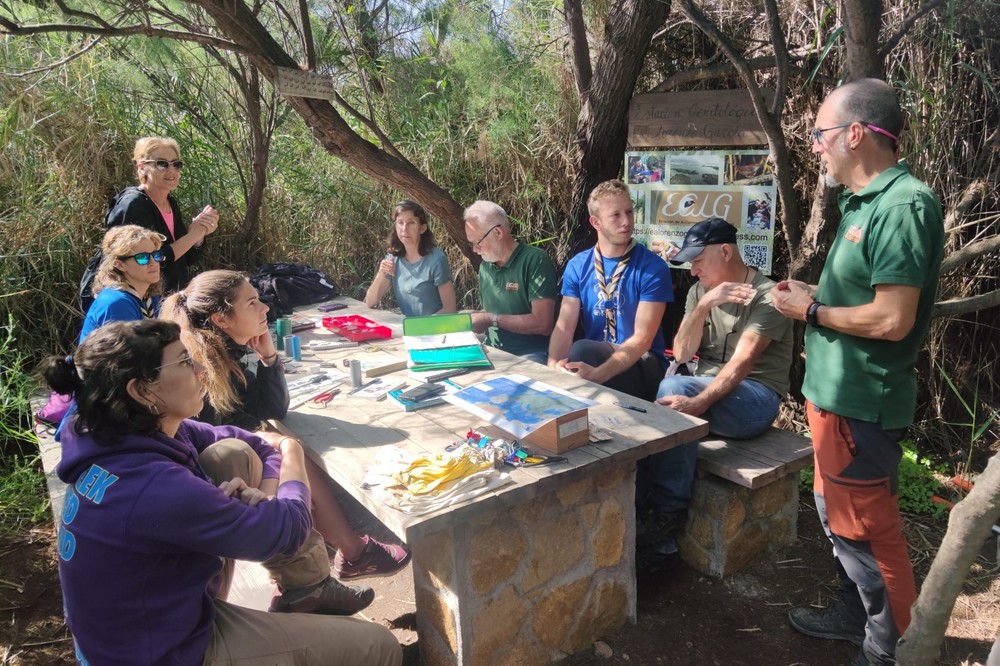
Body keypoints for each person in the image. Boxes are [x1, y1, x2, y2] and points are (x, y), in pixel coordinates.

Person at [44, 320, 401, 665]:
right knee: (379, 647)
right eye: (184, 362)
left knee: (230, 454)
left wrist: (266, 489)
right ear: (142, 390)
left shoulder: (123, 431)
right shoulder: (151, 487)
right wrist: (292, 450)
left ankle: (309, 593)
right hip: (168, 653)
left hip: (157, 620)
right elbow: (288, 527)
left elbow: (252, 443)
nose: (200, 369)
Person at [771, 79, 944, 666]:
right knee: (841, 523)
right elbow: (865, 298)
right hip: (835, 404)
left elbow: (893, 318)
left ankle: (892, 651)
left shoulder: (902, 205)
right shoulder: (863, 203)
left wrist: (812, 311)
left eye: (820, 133)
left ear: (854, 134)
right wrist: (812, 295)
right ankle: (856, 616)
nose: (814, 144)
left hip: (862, 407)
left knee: (869, 534)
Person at [161, 269, 411, 582]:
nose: (265, 307)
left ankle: (334, 556)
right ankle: (353, 554)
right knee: (296, 459)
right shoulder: (204, 369)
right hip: (216, 480)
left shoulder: (229, 350)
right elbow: (211, 442)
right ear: (221, 319)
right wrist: (271, 446)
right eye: (251, 303)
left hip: (235, 459)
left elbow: (271, 408)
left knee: (291, 449)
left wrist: (268, 357)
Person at [638, 217, 793, 562]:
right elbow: (681, 354)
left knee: (672, 388)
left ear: (725, 252)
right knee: (666, 402)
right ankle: (654, 517)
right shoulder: (699, 292)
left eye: (698, 261)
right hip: (706, 390)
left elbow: (742, 363)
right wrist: (704, 305)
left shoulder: (768, 296)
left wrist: (699, 402)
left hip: (754, 400)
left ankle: (667, 516)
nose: (693, 271)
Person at [548, 179, 673, 401]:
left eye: (629, 212)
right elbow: (564, 326)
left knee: (582, 350)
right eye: (616, 215)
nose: (626, 221)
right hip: (595, 359)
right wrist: (553, 369)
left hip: (642, 362)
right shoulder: (578, 265)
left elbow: (643, 339)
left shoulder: (652, 267)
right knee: (566, 362)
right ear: (595, 222)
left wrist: (596, 375)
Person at [105, 136, 219, 293]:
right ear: (142, 168)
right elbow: (145, 260)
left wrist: (199, 235)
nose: (171, 170)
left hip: (170, 295)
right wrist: (192, 236)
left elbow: (186, 259)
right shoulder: (133, 204)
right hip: (138, 297)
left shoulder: (170, 202)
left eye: (176, 164)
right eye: (162, 164)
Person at [463, 200, 557, 363]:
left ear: (498, 233)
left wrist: (490, 319)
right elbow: (494, 311)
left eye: (477, 242)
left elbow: (543, 324)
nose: (474, 250)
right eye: (471, 244)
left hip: (530, 354)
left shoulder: (535, 260)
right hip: (491, 350)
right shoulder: (485, 267)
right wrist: (476, 316)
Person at [364, 200, 456, 317]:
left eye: (411, 223)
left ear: (422, 228)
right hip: (406, 325)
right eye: (400, 223)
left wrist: (418, 325)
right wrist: (381, 273)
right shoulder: (393, 258)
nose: (404, 228)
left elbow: (450, 309)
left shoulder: (437, 260)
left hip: (434, 326)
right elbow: (370, 302)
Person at [79, 225, 166, 341]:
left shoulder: (149, 296)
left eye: (155, 255)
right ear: (119, 265)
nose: (153, 262)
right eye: (142, 257)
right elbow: (130, 351)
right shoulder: (117, 303)